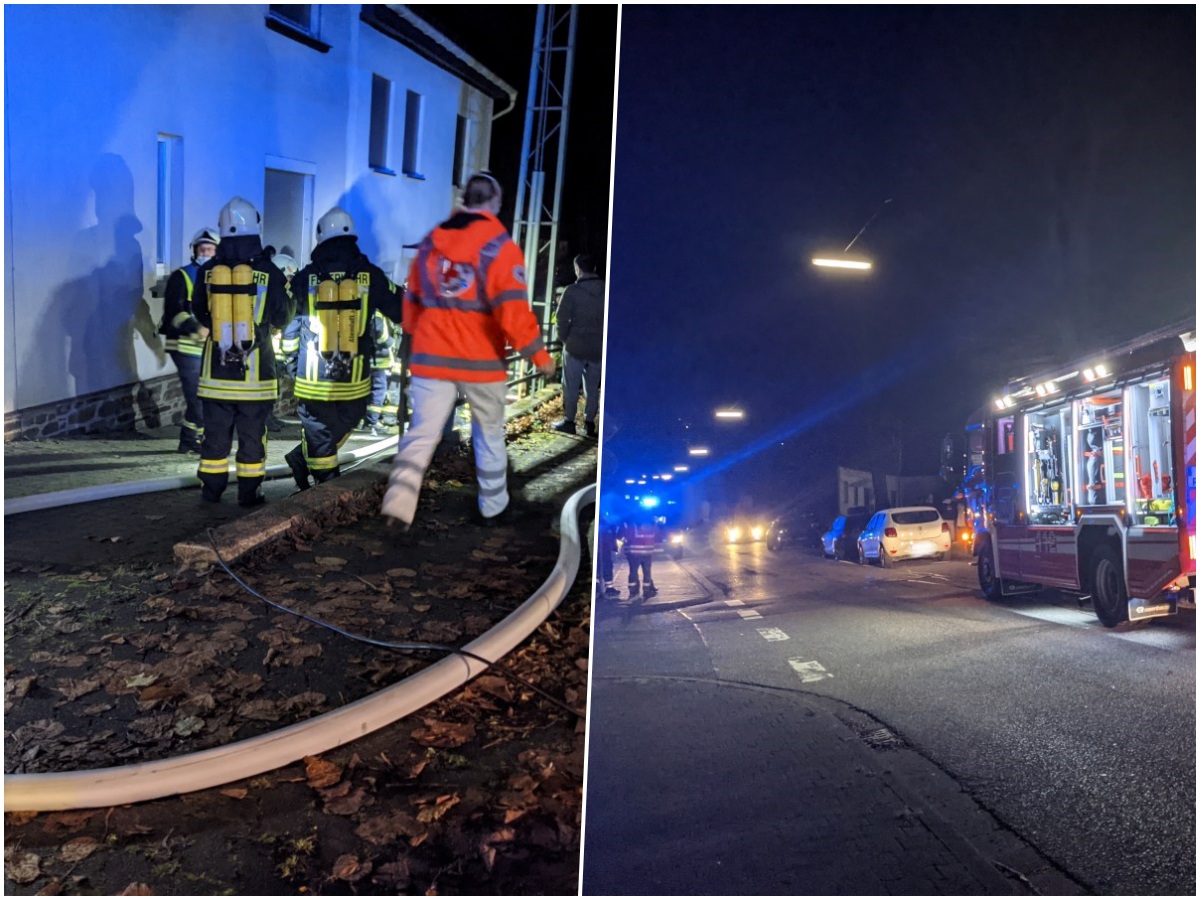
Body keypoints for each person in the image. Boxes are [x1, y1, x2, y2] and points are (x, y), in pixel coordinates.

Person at [381, 171, 556, 529]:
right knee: (488, 434)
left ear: (463, 199)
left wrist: (418, 335)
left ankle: (397, 509)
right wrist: (539, 356)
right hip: (481, 361)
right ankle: (492, 508)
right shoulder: (500, 247)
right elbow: (514, 312)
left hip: (431, 357)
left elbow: (411, 300)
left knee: (421, 434)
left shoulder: (431, 243)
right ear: (495, 203)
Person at [280, 207, 402, 488]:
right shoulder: (371, 275)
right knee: (349, 418)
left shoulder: (304, 277)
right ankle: (327, 485)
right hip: (355, 374)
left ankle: (319, 477)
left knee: (317, 427)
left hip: (312, 376)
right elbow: (401, 309)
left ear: (320, 237)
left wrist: (288, 360)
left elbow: (289, 322)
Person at [192, 197, 295, 507]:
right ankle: (249, 495)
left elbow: (200, 311)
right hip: (256, 375)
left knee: (215, 436)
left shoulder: (209, 271)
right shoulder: (269, 272)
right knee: (252, 436)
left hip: (216, 373)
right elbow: (282, 317)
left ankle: (211, 492)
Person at [158, 227, 220, 454]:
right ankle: (197, 441)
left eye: (211, 249)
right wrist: (197, 328)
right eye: (203, 249)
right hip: (185, 346)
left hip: (208, 348)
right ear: (194, 251)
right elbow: (174, 312)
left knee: (207, 397)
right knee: (198, 397)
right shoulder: (182, 276)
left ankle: (189, 440)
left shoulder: (220, 277)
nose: (206, 253)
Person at [552, 253, 606, 438]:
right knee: (593, 387)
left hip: (575, 345)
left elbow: (560, 318)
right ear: (595, 269)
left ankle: (569, 421)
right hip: (598, 347)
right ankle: (589, 423)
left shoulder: (572, 291)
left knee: (571, 385)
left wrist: (565, 338)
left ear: (578, 269)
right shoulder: (607, 290)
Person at [356, 308, 398, 437]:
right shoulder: (377, 312)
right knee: (378, 390)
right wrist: (391, 342)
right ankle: (371, 422)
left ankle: (361, 420)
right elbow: (380, 333)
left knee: (364, 390)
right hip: (378, 359)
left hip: (365, 357)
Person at [620, 509, 660, 598]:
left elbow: (626, 537)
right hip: (647, 553)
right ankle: (647, 591)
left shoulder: (632, 524)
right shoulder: (652, 524)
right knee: (647, 572)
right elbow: (657, 537)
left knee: (633, 572)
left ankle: (633, 591)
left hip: (634, 553)